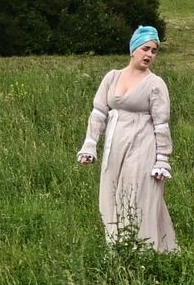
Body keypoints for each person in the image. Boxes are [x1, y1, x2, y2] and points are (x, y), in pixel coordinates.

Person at [76, 25, 177, 252]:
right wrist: (90, 145)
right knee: (110, 195)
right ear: (133, 49)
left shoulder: (155, 84)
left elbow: (161, 124)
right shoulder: (112, 77)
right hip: (114, 146)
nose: (149, 54)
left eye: (154, 51)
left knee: (135, 196)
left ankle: (144, 252)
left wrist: (162, 159)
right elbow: (98, 113)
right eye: (145, 49)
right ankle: (118, 250)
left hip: (142, 146)